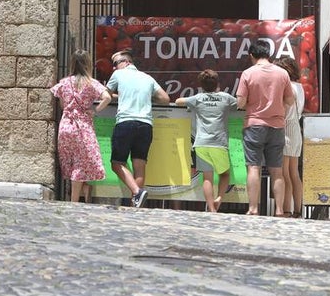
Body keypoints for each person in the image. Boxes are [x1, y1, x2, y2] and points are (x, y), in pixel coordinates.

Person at [235, 40, 295, 217]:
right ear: (268, 54)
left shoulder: (248, 73)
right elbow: (291, 100)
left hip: (254, 125)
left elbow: (240, 102)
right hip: (277, 126)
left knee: (253, 168)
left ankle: (253, 208)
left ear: (252, 56)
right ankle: (279, 210)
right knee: (277, 170)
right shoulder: (282, 73)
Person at [106, 49, 170, 208]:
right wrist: (146, 96)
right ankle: (136, 203)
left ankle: (137, 192)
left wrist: (119, 96)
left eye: (116, 63)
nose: (114, 68)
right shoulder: (148, 78)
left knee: (116, 163)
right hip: (146, 125)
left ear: (126, 62)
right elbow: (165, 99)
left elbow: (105, 95)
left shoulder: (118, 75)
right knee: (139, 167)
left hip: (126, 122)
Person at [51, 50, 112, 203]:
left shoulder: (64, 82)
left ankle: (81, 193)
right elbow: (107, 97)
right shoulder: (91, 83)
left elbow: (62, 104)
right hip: (82, 126)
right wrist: (95, 110)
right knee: (82, 162)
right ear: (88, 64)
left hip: (66, 125)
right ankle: (74, 201)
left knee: (72, 161)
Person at [174, 69, 238, 212]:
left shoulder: (198, 98)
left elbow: (178, 101)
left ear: (202, 85)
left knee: (207, 178)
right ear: (217, 84)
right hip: (219, 144)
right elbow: (241, 103)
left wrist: (191, 100)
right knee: (225, 174)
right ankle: (219, 198)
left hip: (201, 143)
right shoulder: (225, 98)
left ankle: (211, 209)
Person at [276, 56, 305, 218]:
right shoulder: (300, 87)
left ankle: (286, 209)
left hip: (286, 127)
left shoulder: (287, 88)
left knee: (283, 172)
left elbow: (283, 109)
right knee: (294, 172)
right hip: (296, 128)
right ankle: (298, 210)